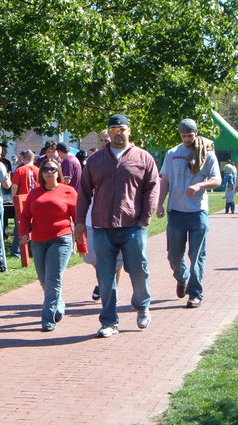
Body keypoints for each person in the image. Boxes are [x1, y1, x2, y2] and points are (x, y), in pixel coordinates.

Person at [75, 114, 159, 338]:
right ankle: (109, 321)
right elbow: (83, 192)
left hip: (133, 226)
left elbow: (152, 188)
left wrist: (145, 219)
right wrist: (80, 221)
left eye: (122, 129)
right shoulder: (95, 160)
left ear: (129, 131)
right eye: (113, 130)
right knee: (105, 275)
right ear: (108, 132)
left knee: (139, 270)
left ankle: (142, 306)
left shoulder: (143, 157)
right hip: (102, 226)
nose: (118, 133)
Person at [157, 118, 221, 309]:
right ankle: (182, 277)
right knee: (174, 256)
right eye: (184, 136)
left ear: (196, 132)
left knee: (197, 255)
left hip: (197, 212)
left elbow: (217, 179)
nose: (187, 139)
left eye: (190, 135)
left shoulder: (207, 154)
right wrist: (160, 204)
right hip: (176, 212)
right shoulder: (172, 154)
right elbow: (165, 181)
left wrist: (200, 185)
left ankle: (195, 293)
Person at [19, 159, 82, 331]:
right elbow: (25, 216)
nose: (49, 172)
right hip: (39, 241)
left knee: (53, 279)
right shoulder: (34, 193)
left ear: (58, 172)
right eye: (46, 169)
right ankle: (58, 304)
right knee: (43, 279)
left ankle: (47, 318)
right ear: (41, 173)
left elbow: (78, 219)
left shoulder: (68, 191)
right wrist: (24, 233)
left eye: (53, 169)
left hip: (61, 239)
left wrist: (81, 243)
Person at [85, 129, 124, 302]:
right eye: (101, 140)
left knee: (116, 260)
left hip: (116, 220)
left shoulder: (123, 160)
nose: (103, 142)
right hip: (92, 218)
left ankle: (111, 292)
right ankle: (103, 282)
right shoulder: (93, 161)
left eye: (106, 139)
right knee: (93, 257)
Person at [9, 150, 40, 257]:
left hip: (22, 202)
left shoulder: (20, 170)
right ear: (33, 158)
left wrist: (13, 200)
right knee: (34, 226)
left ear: (23, 158)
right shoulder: (39, 170)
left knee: (20, 226)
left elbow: (14, 187)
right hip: (35, 202)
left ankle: (16, 250)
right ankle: (32, 250)